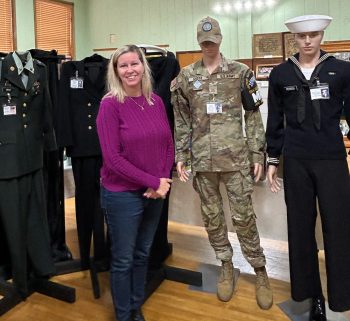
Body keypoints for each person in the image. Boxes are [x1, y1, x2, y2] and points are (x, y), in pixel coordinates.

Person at [171, 16, 273, 310]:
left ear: (220, 39)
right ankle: (226, 264)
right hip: (203, 163)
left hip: (236, 160)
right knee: (213, 218)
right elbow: (182, 121)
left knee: (244, 218)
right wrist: (182, 156)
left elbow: (253, 116)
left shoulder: (241, 74)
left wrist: (257, 153)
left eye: (213, 40)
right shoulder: (186, 79)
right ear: (198, 43)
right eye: (204, 42)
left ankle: (260, 268)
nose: (209, 45)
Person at [266, 15, 350, 321]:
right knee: (300, 230)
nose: (308, 41)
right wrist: (273, 159)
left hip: (331, 159)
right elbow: (274, 120)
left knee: (339, 228)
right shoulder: (281, 74)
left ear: (321, 35)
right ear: (294, 39)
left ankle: (341, 297)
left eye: (313, 35)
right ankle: (311, 296)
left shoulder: (341, 70)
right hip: (297, 159)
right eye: (302, 37)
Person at [96, 45, 174, 321]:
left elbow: (168, 143)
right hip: (122, 196)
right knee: (123, 260)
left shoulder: (156, 101)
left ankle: (135, 308)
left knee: (143, 254)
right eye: (123, 65)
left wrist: (162, 179)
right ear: (115, 71)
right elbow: (112, 158)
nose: (130, 70)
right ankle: (124, 314)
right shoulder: (109, 105)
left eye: (134, 64)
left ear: (144, 66)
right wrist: (153, 181)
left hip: (154, 192)